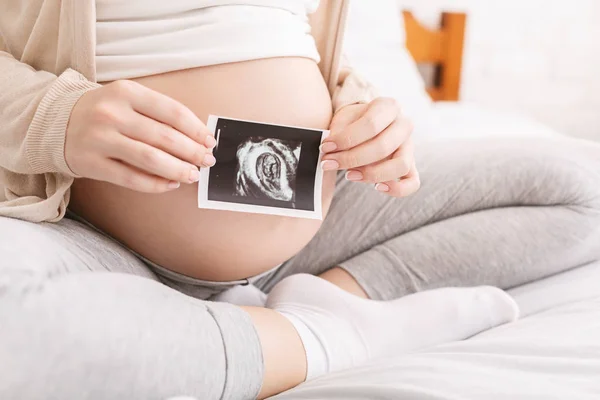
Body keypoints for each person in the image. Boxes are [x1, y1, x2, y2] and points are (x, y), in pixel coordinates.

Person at [1, 1, 600, 399]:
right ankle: (328, 339)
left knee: (582, 189)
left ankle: (329, 301)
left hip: (319, 223)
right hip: (88, 231)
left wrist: (364, 110)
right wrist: (56, 116)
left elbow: (305, 47)